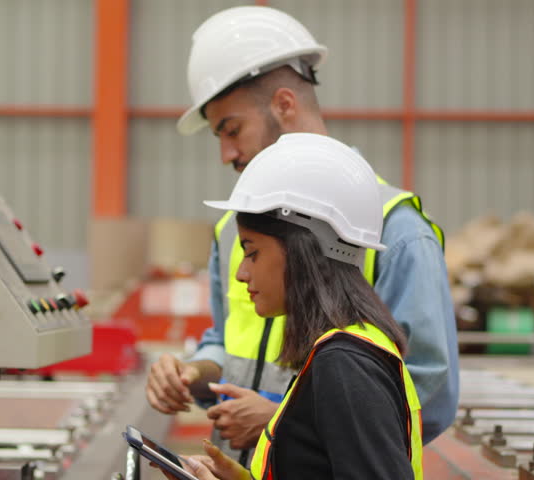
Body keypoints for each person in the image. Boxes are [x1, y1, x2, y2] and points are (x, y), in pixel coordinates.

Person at [145, 5, 458, 463]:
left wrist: (280, 419)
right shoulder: (232, 233)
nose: (227, 153)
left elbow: (424, 389)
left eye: (232, 129)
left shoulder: (396, 230)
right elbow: (228, 343)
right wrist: (190, 372)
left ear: (284, 105)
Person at [157, 133, 422, 480]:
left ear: (302, 252)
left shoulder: (344, 365)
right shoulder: (340, 352)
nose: (240, 273)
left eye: (252, 252)